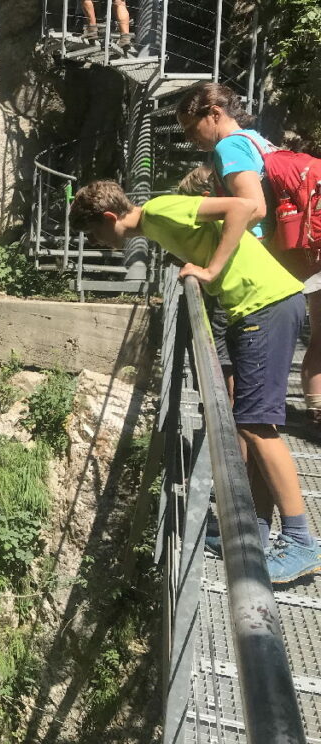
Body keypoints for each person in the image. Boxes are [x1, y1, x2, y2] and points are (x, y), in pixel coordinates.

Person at [69, 180, 321, 583]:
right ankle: (255, 531)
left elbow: (242, 207)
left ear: (109, 218)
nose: (98, 242)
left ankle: (301, 540)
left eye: (94, 233)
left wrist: (211, 270)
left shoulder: (159, 211)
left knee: (257, 428)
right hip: (255, 307)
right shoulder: (156, 225)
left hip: (265, 305)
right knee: (251, 424)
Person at [176, 83, 321, 427]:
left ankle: (236, 469)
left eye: (190, 126)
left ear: (214, 113)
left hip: (248, 270)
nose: (188, 136)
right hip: (275, 268)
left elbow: (251, 209)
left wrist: (213, 265)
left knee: (235, 384)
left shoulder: (229, 147)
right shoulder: (258, 140)